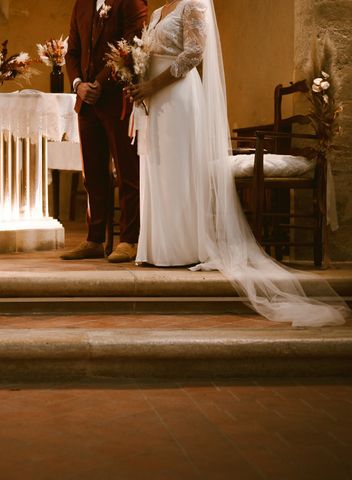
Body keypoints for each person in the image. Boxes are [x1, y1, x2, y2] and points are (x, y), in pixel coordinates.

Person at [125, 0, 350, 326]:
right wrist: (136, 77)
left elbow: (193, 54)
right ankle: (156, 249)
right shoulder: (159, 11)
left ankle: (183, 248)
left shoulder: (195, 3)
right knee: (157, 171)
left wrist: (151, 85)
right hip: (154, 102)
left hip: (177, 98)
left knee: (178, 174)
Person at [62, 0, 148, 263]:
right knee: (93, 174)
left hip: (116, 98)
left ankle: (129, 240)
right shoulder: (82, 4)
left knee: (128, 172)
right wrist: (78, 84)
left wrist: (98, 83)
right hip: (86, 102)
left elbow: (131, 45)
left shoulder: (130, 1)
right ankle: (95, 239)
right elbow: (72, 51)